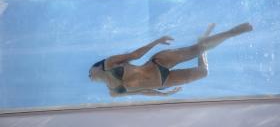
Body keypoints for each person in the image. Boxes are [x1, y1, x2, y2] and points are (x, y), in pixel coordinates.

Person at [89, 23, 253, 97]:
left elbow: (136, 55)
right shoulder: (113, 93)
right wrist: (163, 96)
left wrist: (156, 41)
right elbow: (143, 92)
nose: (89, 76)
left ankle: (232, 32)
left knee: (197, 49)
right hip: (164, 82)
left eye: (90, 72)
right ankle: (203, 41)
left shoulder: (109, 63)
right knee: (203, 72)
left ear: (97, 68)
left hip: (157, 63)